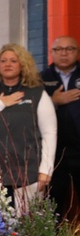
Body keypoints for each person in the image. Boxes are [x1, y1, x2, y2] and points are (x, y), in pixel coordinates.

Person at [0, 43, 56, 211]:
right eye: (3, 61)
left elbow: (49, 133)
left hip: (28, 175)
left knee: (26, 231)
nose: (8, 64)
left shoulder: (37, 94)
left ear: (23, 64)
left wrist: (46, 170)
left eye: (13, 61)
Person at [41, 36, 80, 221]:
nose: (64, 53)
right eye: (59, 49)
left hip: (79, 148)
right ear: (52, 53)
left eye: (69, 48)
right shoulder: (39, 79)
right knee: (52, 203)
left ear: (77, 52)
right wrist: (54, 102)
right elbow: (30, 111)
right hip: (52, 153)